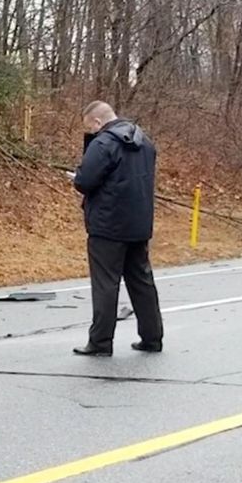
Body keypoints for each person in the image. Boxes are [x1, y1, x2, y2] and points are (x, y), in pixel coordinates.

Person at [70, 101, 164, 356]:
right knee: (142, 281)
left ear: (97, 121)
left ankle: (100, 342)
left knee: (106, 284)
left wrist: (80, 171)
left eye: (90, 127)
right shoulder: (145, 142)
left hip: (108, 224)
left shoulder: (103, 144)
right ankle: (152, 337)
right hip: (139, 223)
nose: (91, 132)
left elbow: (84, 181)